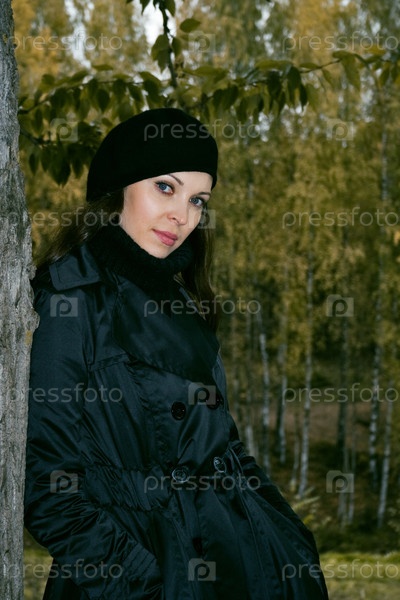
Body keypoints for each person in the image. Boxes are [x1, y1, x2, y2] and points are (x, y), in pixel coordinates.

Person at [25, 108, 329, 600]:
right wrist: (144, 584)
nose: (182, 217)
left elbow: (226, 447)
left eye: (197, 201)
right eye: (165, 187)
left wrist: (289, 537)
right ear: (118, 188)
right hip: (135, 576)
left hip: (241, 563)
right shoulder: (68, 302)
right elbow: (47, 488)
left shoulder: (184, 301)